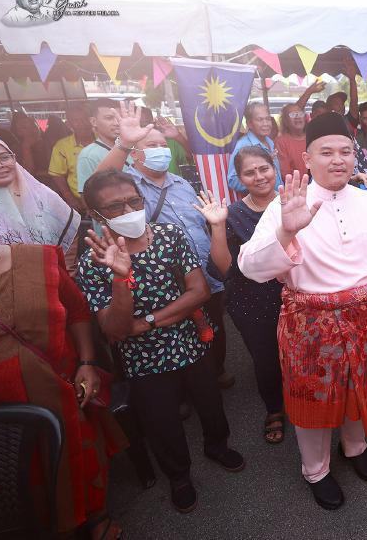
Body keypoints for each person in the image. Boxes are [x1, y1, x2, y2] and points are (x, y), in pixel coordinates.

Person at [237, 113, 367, 510]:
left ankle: (355, 445)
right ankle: (315, 469)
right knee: (312, 401)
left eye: (345, 151)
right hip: (312, 326)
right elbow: (249, 266)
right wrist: (285, 231)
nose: (337, 160)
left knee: (358, 388)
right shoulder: (287, 205)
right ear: (306, 159)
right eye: (325, 152)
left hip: (366, 319)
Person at [77, 170, 244, 514]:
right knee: (161, 420)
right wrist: (122, 278)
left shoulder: (169, 236)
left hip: (192, 342)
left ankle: (217, 445)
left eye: (133, 201)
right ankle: (178, 475)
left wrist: (148, 321)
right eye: (115, 206)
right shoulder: (94, 263)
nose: (128, 210)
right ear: (96, 215)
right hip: (143, 360)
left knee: (210, 402)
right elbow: (117, 330)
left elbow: (198, 292)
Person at [0, 191, 126, 539]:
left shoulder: (37, 259)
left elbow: (77, 311)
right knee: (16, 477)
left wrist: (87, 362)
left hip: (61, 386)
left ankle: (93, 515)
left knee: (73, 455)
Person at [92, 102, 233, 388]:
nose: (161, 149)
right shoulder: (128, 184)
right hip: (166, 277)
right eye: (152, 144)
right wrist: (123, 144)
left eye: (162, 143)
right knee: (175, 329)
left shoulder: (181, 182)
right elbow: (97, 182)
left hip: (205, 272)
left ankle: (212, 374)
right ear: (136, 153)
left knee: (213, 326)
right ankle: (179, 391)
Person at [197, 147, 287, 444]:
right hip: (252, 300)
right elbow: (224, 269)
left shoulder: (292, 202)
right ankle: (274, 408)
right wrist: (218, 226)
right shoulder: (232, 214)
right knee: (266, 359)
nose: (259, 176)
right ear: (239, 178)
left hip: (297, 295)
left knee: (302, 353)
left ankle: (305, 402)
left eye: (264, 168)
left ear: (274, 167)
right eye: (250, 172)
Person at [0, 134, 80, 265]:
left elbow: (69, 239)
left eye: (4, 157)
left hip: (48, 280)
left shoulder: (42, 196)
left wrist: (61, 276)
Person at [227, 102, 284, 193]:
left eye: (268, 119)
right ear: (249, 123)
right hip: (260, 203)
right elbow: (232, 181)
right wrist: (259, 184)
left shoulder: (269, 141)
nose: (265, 123)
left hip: (277, 199)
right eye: (260, 120)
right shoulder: (243, 146)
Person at [49, 104, 96, 212]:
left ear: (92, 120)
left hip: (108, 197)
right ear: (69, 124)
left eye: (85, 119)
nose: (82, 124)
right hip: (81, 202)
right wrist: (70, 199)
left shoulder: (104, 140)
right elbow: (57, 175)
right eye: (76, 120)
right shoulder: (61, 146)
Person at [75, 99, 121, 195]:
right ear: (94, 121)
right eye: (109, 118)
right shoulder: (88, 155)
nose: (117, 123)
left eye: (119, 117)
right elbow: (86, 195)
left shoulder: (134, 147)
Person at [275, 104, 309, 179]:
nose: (297, 117)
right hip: (296, 187)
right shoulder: (281, 142)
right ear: (286, 121)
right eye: (292, 114)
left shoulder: (313, 136)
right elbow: (286, 173)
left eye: (300, 113)